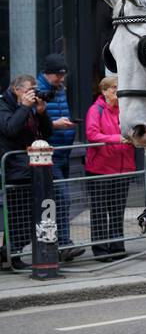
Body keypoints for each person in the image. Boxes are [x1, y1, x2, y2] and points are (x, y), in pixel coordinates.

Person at [1, 73, 54, 270]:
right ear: (17, 90)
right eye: (29, 90)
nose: (33, 94)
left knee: (26, 217)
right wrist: (24, 107)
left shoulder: (30, 109)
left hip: (32, 168)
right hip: (14, 169)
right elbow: (10, 129)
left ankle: (9, 254)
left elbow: (47, 133)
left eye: (34, 90)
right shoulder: (4, 106)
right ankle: (10, 255)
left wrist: (41, 113)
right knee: (18, 217)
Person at [83, 76, 135, 261]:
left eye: (119, 89)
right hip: (100, 169)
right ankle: (101, 250)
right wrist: (117, 138)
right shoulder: (95, 110)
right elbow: (92, 134)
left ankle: (117, 247)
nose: (117, 92)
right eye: (114, 89)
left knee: (117, 210)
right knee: (99, 211)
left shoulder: (124, 110)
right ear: (104, 91)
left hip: (123, 168)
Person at [37, 54, 77, 256]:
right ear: (48, 73)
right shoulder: (36, 89)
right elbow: (34, 122)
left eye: (63, 75)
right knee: (61, 199)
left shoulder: (61, 89)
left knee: (55, 201)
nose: (61, 79)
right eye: (58, 75)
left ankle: (57, 245)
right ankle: (63, 244)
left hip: (64, 153)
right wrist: (56, 125)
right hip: (46, 155)